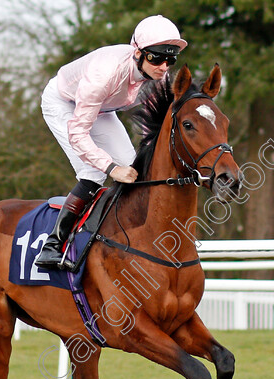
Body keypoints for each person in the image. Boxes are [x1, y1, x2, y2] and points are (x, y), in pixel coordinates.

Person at [34, 15, 187, 270]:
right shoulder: (104, 74)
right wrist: (110, 168)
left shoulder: (158, 76)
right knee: (93, 171)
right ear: (137, 52)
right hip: (64, 103)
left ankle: (122, 236)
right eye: (156, 58)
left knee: (133, 168)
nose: (163, 66)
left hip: (102, 110)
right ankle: (54, 245)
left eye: (170, 59)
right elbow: (78, 133)